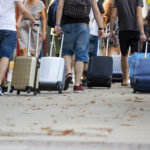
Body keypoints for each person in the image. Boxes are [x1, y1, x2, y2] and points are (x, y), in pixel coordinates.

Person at [54, 0, 105, 93]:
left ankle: (68, 72)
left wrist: (57, 24)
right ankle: (77, 85)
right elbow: (96, 10)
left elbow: (60, 6)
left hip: (67, 24)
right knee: (81, 54)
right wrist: (100, 28)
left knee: (67, 51)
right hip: (83, 25)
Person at [0, 0, 35, 95]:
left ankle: (3, 85)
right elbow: (22, 9)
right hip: (8, 27)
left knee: (1, 57)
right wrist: (32, 18)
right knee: (5, 56)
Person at [110, 0, 146, 86]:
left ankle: (125, 79)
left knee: (124, 54)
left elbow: (113, 15)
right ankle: (134, 78)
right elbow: (139, 15)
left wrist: (111, 32)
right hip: (135, 29)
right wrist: (142, 32)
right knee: (135, 54)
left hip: (123, 29)